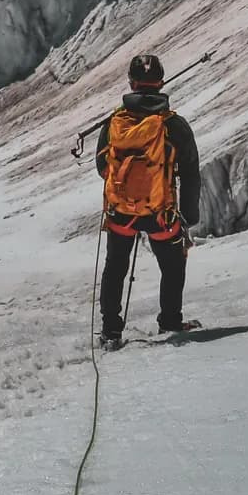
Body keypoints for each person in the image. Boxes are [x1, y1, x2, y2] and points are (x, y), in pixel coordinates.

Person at [94, 53, 202, 348]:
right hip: (160, 213)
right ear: (161, 83)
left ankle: (110, 331)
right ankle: (169, 321)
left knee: (116, 266)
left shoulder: (115, 123)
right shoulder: (173, 125)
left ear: (131, 83)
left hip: (121, 213)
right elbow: (191, 171)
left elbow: (102, 166)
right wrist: (188, 217)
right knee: (172, 265)